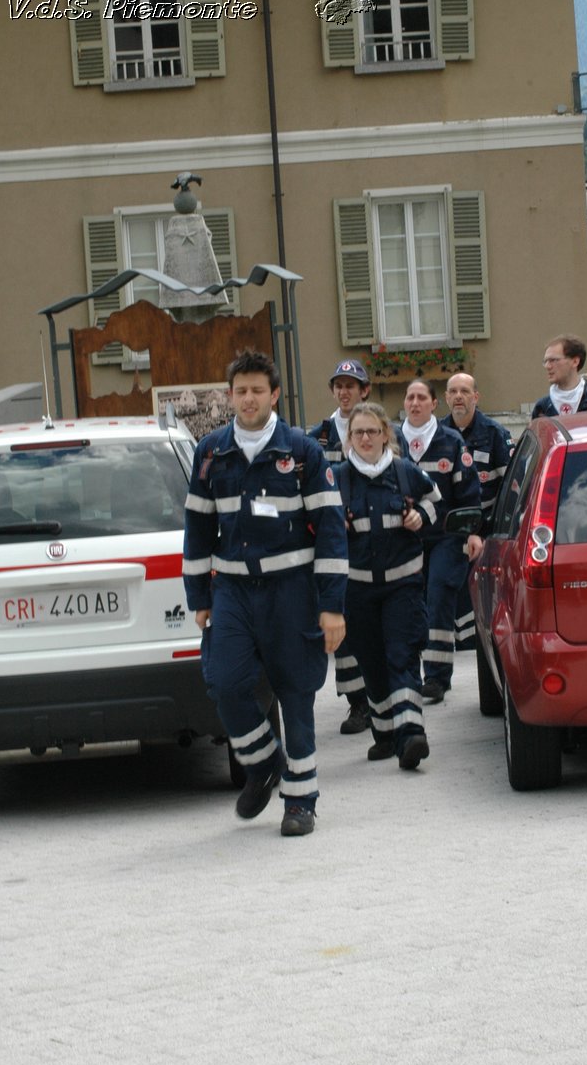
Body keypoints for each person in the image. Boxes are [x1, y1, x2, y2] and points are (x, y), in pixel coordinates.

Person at [183, 349, 348, 838]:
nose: (249, 398)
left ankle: (301, 800)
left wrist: (332, 606)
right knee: (225, 681)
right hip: (232, 589)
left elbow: (333, 530)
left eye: (258, 389)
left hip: (291, 591)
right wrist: (200, 597)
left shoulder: (302, 452)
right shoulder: (210, 452)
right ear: (229, 396)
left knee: (296, 695)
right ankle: (263, 763)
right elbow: (197, 526)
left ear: (274, 394)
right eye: (240, 391)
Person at [335, 403, 442, 769]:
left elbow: (434, 504)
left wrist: (419, 517)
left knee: (403, 654)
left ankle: (411, 733)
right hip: (358, 592)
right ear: (349, 439)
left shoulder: (406, 473)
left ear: (386, 435)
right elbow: (316, 526)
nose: (366, 439)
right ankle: (384, 732)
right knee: (373, 664)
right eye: (358, 433)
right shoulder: (336, 479)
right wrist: (337, 528)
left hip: (403, 586)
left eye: (372, 431)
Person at [401, 378, 481, 704]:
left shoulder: (451, 441)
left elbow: (469, 493)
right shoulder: (391, 440)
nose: (415, 403)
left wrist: (472, 531)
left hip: (447, 535)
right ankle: (406, 674)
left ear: (435, 404)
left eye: (422, 397)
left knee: (438, 597)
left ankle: (436, 678)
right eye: (410, 397)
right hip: (404, 538)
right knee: (407, 606)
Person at [308, 358, 372, 735]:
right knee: (343, 620)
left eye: (352, 384)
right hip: (337, 544)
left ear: (364, 390)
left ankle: (385, 692)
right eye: (339, 385)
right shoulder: (317, 437)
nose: (344, 391)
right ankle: (358, 703)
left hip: (375, 541)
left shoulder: (379, 430)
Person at [440, 372, 514, 652]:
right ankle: (459, 640)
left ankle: (478, 641)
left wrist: (494, 531)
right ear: (446, 398)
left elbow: (510, 487)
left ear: (475, 397)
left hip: (488, 527)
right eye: (453, 391)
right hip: (451, 528)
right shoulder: (438, 435)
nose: (458, 396)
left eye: (464, 391)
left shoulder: (494, 434)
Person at [532, 337, 587, 418]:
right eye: (545, 361)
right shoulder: (541, 408)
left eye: (553, 360)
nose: (547, 366)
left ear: (575, 361)